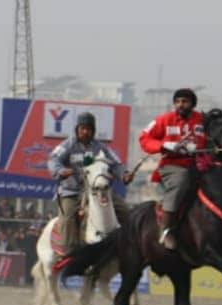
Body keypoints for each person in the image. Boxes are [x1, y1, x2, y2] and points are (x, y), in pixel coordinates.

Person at [47, 112, 130, 253]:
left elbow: (116, 164)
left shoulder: (101, 148)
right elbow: (53, 160)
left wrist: (124, 175)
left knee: (126, 212)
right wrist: (61, 171)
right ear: (77, 129)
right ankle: (68, 254)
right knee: (67, 219)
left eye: (89, 129)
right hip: (72, 192)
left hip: (98, 191)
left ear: (93, 131)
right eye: (82, 129)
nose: (85, 132)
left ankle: (129, 246)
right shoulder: (68, 145)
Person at [139, 88, 207, 250]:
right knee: (181, 180)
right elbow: (144, 138)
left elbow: (212, 139)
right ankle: (166, 230)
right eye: (177, 102)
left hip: (199, 165)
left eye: (185, 102)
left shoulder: (202, 120)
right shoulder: (165, 119)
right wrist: (164, 145)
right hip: (173, 165)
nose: (180, 105)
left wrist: (198, 147)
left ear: (193, 104)